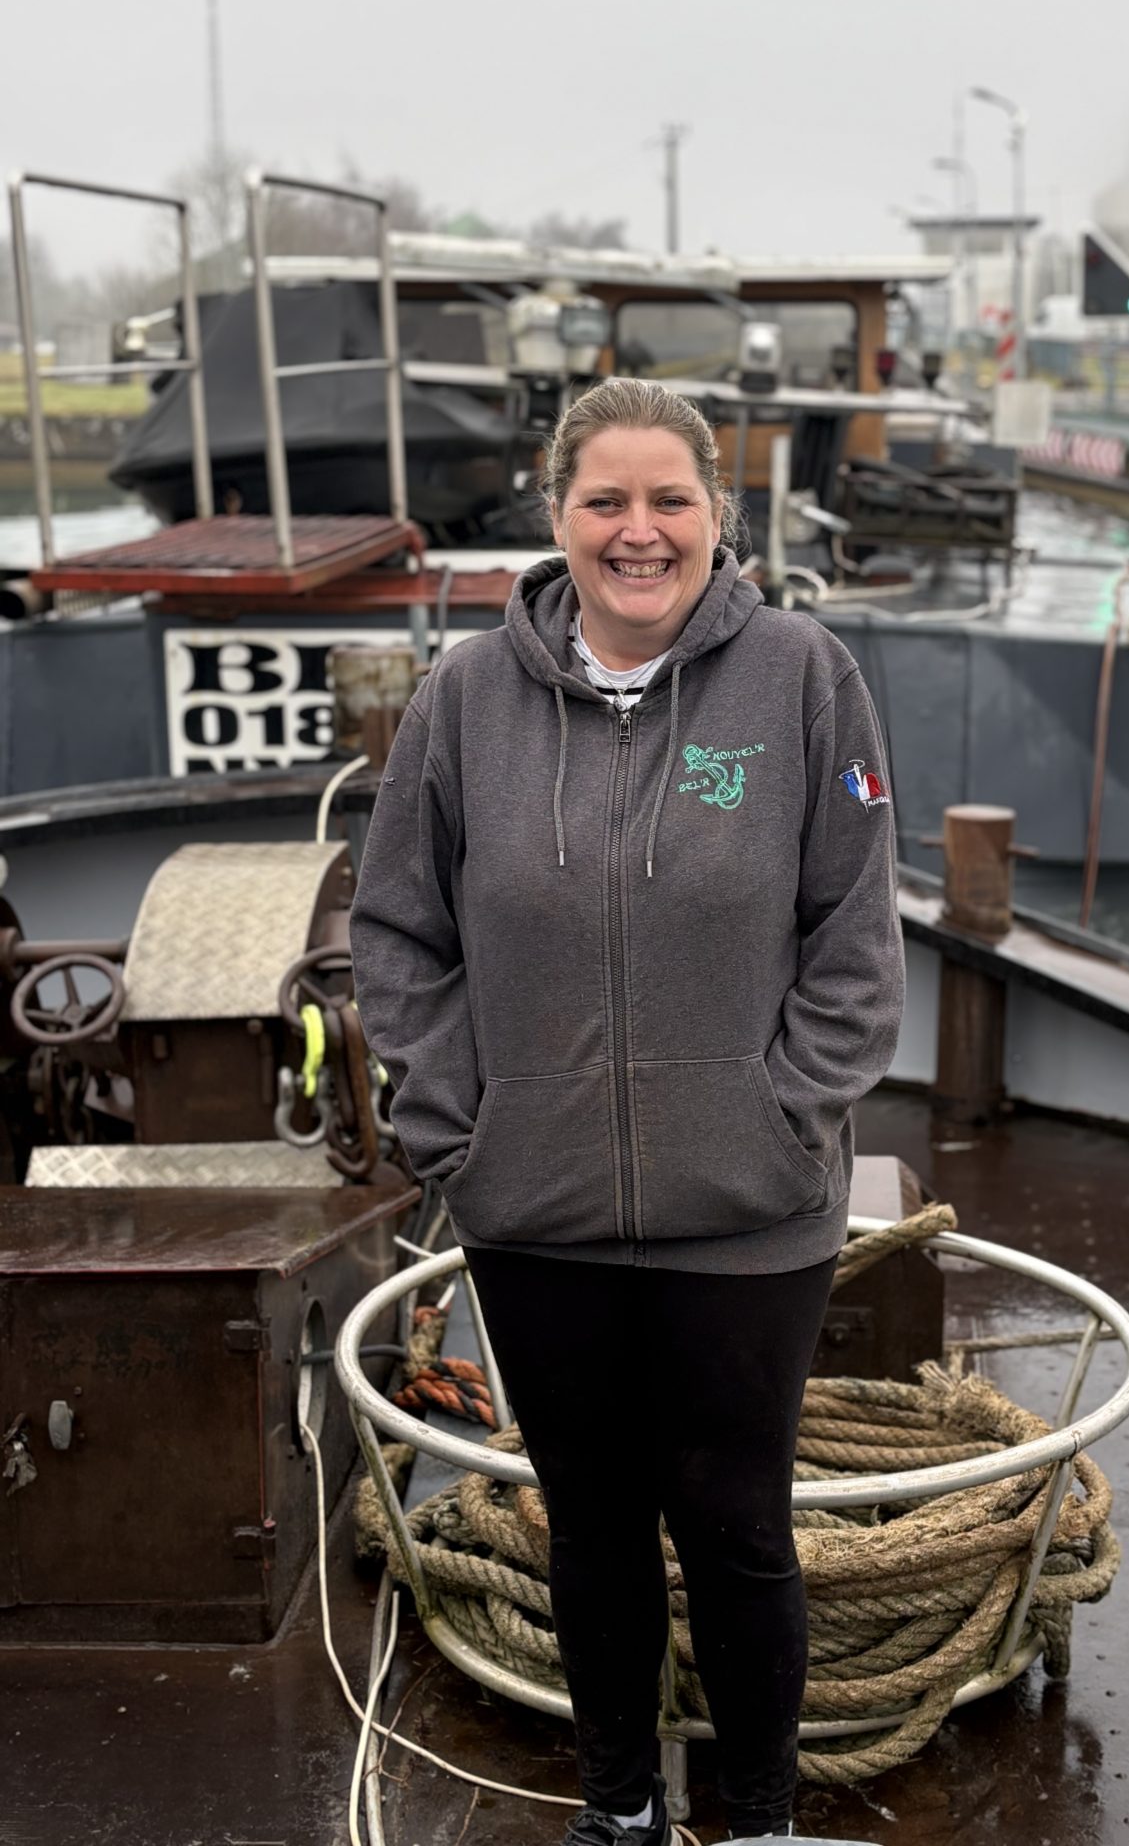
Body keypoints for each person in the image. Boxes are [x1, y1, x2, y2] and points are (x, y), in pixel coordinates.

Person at [350, 378, 904, 1845]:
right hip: (537, 1212)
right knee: (590, 1531)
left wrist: (782, 1124)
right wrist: (459, 1129)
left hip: (752, 1215)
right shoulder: (467, 699)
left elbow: (855, 937)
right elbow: (397, 935)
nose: (639, 531)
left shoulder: (802, 677)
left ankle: (761, 1820)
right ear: (558, 517)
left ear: (721, 519)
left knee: (736, 1530)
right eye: (608, 500)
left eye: (671, 501)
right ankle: (617, 1815)